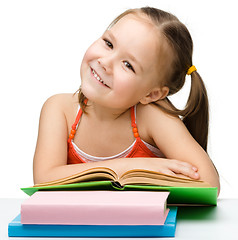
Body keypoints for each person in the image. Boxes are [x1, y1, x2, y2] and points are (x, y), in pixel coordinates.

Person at [33, 7, 220, 194]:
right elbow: (44, 178)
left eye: (128, 65)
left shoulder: (151, 117)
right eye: (108, 43)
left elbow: (208, 183)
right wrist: (133, 167)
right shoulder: (59, 109)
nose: (105, 62)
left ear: (152, 94)